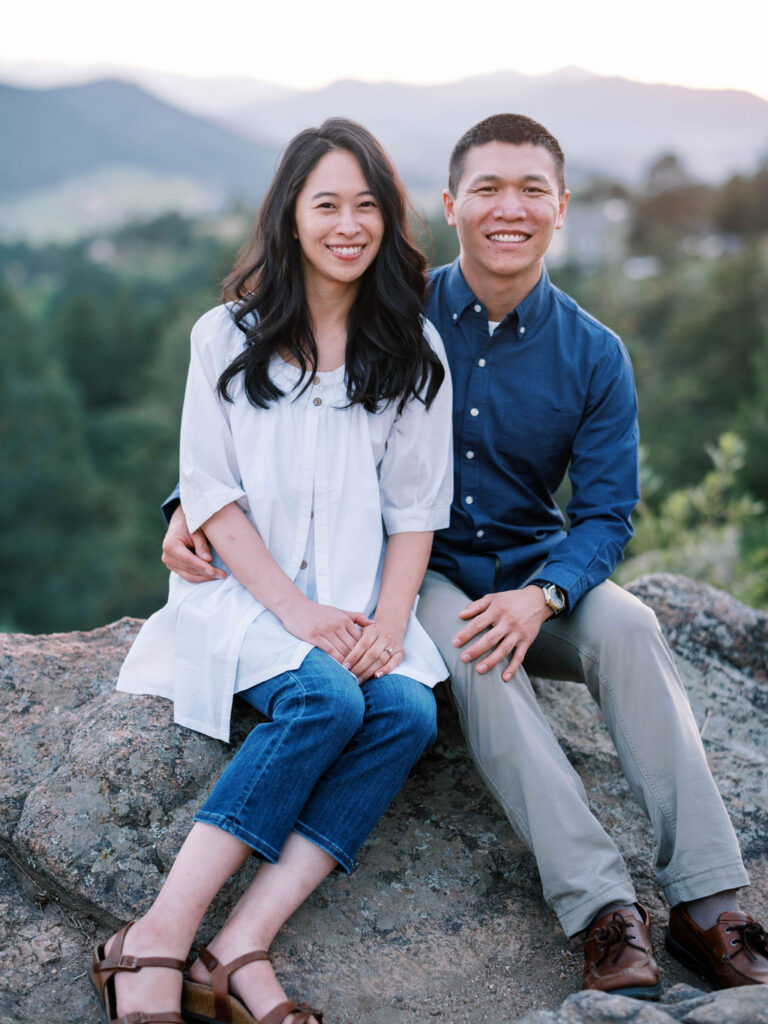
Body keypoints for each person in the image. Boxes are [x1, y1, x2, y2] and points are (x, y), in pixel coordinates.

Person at [160, 114, 768, 1000]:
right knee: (478, 655)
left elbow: (606, 515)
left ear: (561, 208)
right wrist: (185, 509)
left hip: (534, 564)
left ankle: (710, 905)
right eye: (487, 188)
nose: (508, 208)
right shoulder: (396, 310)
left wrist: (549, 594)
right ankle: (604, 910)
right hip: (420, 571)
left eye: (531, 190)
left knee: (632, 628)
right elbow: (275, 424)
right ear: (452, 205)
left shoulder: (595, 353)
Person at [91, 118, 453, 1024]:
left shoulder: (414, 352)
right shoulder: (225, 336)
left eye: (367, 206)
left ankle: (239, 943)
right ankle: (157, 937)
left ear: (388, 221)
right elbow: (208, 493)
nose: (348, 225)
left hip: (356, 606)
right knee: (326, 699)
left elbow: (415, 513)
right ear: (290, 216)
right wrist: (293, 611)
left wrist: (388, 623)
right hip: (247, 603)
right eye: (326, 203)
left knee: (406, 707)